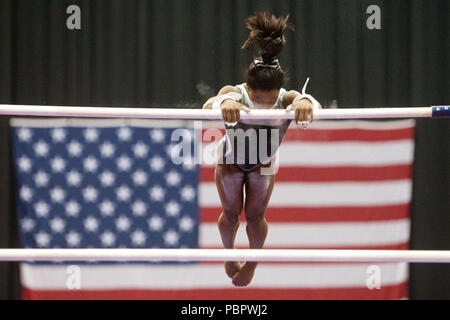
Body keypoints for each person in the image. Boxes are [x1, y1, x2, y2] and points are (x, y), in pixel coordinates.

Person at [202, 11, 322, 287]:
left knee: (255, 217)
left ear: (279, 91)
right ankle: (229, 254)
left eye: (270, 101)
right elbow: (209, 106)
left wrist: (305, 101)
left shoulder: (287, 98)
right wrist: (223, 104)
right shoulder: (235, 93)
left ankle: (252, 263)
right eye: (257, 99)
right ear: (248, 88)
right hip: (231, 160)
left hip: (263, 163)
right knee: (231, 213)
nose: (264, 106)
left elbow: (313, 106)